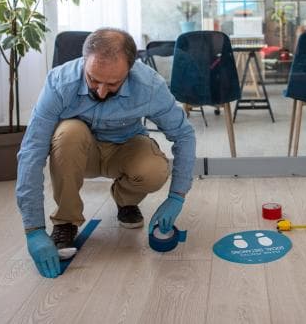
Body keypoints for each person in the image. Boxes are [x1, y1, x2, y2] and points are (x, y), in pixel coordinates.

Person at [16, 28, 196, 278]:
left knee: (154, 169)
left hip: (125, 147)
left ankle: (126, 202)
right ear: (84, 60)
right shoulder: (59, 82)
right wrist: (33, 228)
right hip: (78, 153)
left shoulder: (149, 86)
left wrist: (177, 195)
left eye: (112, 84)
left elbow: (184, 135)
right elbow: (32, 149)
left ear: (130, 70)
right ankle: (65, 222)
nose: (100, 92)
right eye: (93, 79)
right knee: (68, 132)